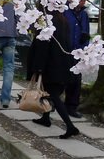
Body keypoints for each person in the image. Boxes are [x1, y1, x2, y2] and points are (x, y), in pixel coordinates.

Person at [27, 10, 79, 139]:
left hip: (51, 65)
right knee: (49, 93)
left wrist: (38, 67)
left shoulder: (46, 22)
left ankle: (70, 126)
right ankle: (45, 118)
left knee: (53, 95)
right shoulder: (63, 21)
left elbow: (42, 46)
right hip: (63, 63)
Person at [63, 0, 91, 118]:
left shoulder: (84, 14)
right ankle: (53, 103)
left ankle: (71, 106)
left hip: (78, 50)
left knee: (76, 80)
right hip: (64, 50)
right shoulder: (65, 11)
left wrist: (85, 46)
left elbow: (86, 32)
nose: (83, 1)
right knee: (60, 78)